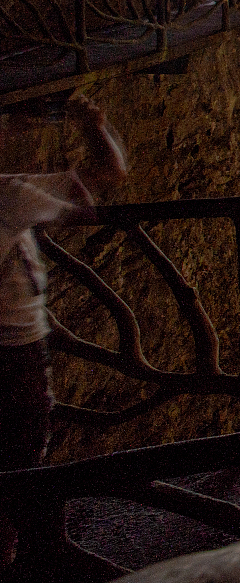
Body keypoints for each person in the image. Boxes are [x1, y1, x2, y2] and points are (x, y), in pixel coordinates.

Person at [0, 94, 127, 471]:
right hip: (14, 347)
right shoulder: (10, 196)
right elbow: (105, 177)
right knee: (23, 457)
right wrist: (92, 126)